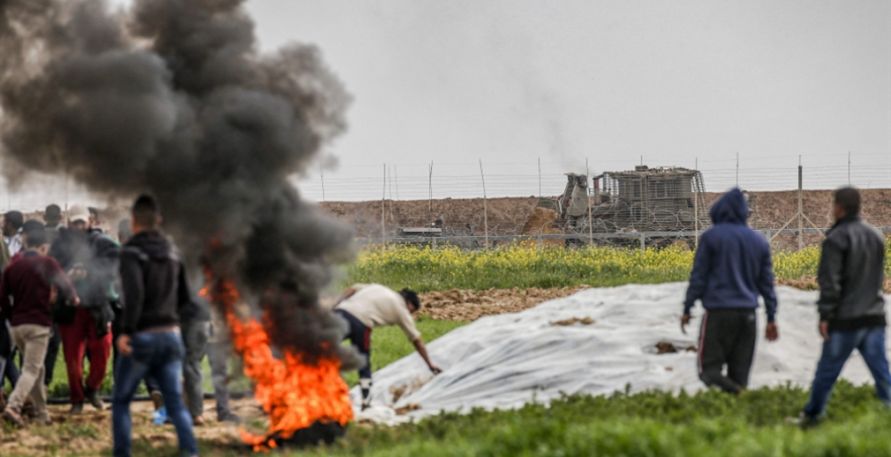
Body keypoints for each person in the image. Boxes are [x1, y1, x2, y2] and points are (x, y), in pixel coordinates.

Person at [113, 194, 197, 457]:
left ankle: (123, 453)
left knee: (121, 401)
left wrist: (126, 331)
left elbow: (134, 295)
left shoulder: (131, 252)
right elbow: (186, 299)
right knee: (176, 402)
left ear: (134, 220)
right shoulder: (174, 252)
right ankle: (190, 452)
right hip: (172, 336)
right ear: (159, 220)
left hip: (143, 337)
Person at [799, 187, 890, 425]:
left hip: (845, 320)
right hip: (874, 316)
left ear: (839, 207)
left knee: (827, 371)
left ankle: (812, 417)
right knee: (882, 373)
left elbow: (830, 282)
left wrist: (825, 315)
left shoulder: (836, 238)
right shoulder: (875, 236)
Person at [682, 188, 779, 394]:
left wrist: (687, 307)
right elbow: (767, 284)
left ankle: (739, 397)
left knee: (708, 371)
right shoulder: (759, 241)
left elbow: (699, 277)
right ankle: (738, 411)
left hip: (718, 314)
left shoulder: (711, 238)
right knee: (740, 377)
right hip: (748, 318)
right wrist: (771, 317)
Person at [0, 228, 79, 426]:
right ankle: (14, 405)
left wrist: (12, 315)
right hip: (38, 325)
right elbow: (64, 282)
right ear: (44, 246)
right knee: (31, 370)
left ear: (26, 243)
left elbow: (2, 296)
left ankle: (42, 414)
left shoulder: (13, 266)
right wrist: (73, 298)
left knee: (38, 369)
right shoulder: (47, 263)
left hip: (17, 326)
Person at [50, 208, 119, 414]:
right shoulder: (60, 244)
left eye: (82, 222)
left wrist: (91, 271)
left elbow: (115, 263)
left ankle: (93, 388)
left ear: (89, 221)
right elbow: (52, 270)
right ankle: (77, 399)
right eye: (75, 223)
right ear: (68, 223)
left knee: (103, 350)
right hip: (70, 308)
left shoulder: (102, 242)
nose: (79, 226)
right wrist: (68, 276)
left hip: (98, 305)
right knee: (72, 356)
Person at [334, 284, 442, 409]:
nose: (410, 314)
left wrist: (334, 305)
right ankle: (366, 401)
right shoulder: (401, 309)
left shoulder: (378, 288)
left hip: (340, 313)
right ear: (409, 304)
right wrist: (430, 364)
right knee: (363, 363)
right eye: (412, 311)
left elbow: (352, 289)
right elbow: (416, 340)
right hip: (361, 324)